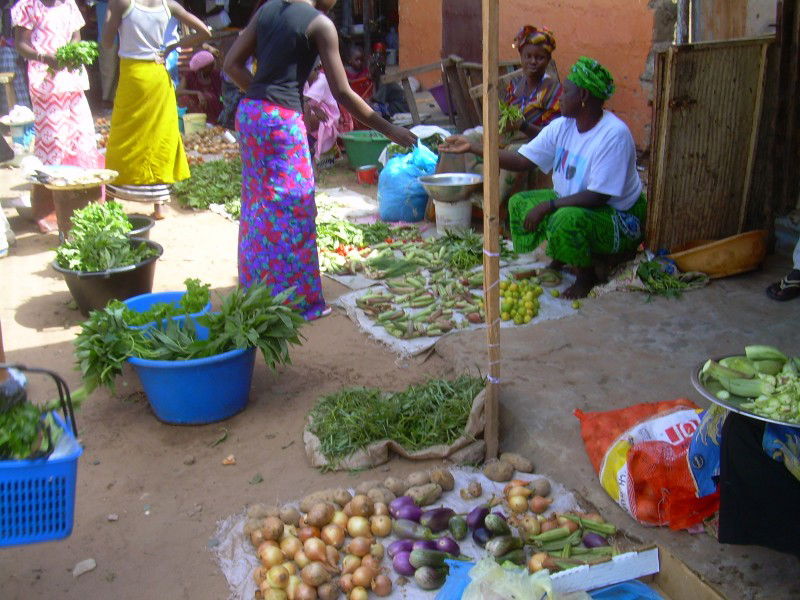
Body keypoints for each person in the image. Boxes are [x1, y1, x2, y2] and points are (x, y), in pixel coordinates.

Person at [223, 0, 415, 320]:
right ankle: (296, 301)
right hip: (282, 122)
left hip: (251, 115)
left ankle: (256, 291)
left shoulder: (269, 8)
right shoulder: (319, 24)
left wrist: (264, 96)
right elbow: (342, 93)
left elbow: (231, 64)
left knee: (259, 205)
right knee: (295, 208)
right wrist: (390, 129)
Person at [441, 57, 645, 299]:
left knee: (563, 218)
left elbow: (598, 195)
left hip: (618, 216)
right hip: (575, 202)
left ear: (584, 97)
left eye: (566, 91)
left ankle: (586, 276)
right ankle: (562, 256)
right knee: (520, 203)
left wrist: (548, 206)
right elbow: (522, 161)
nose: (560, 96)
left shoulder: (614, 135)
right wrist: (474, 148)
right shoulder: (564, 126)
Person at [101, 0, 210, 219]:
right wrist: (170, 47)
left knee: (124, 135)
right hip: (158, 76)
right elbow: (205, 32)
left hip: (133, 76)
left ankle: (111, 199)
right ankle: (158, 205)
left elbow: (106, 42)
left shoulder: (121, 3)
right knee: (159, 138)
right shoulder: (168, 4)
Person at [12, 0, 99, 232]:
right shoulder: (27, 6)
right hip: (44, 81)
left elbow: (76, 36)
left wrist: (71, 52)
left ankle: (78, 205)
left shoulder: (68, 3)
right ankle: (44, 211)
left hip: (71, 79)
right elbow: (21, 44)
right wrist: (45, 57)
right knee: (53, 146)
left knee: (81, 139)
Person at [460, 25, 562, 211]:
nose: (533, 62)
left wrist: (523, 125)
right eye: (528, 56)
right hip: (509, 135)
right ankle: (475, 190)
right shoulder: (515, 85)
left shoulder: (553, 90)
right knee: (468, 138)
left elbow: (552, 136)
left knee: (514, 151)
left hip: (535, 142)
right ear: (521, 57)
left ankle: (496, 209)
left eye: (539, 58)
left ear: (548, 60)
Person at [302, 59, 342, 168]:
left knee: (303, 111)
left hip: (328, 118)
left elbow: (303, 101)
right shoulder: (305, 80)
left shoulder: (321, 81)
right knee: (303, 110)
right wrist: (314, 108)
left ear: (316, 69)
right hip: (315, 112)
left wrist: (312, 108)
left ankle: (307, 144)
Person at [178, 49, 223, 124]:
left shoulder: (215, 75)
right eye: (210, 66)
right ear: (202, 68)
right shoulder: (190, 76)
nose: (213, 67)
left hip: (215, 114)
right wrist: (197, 93)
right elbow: (178, 91)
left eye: (213, 65)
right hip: (196, 115)